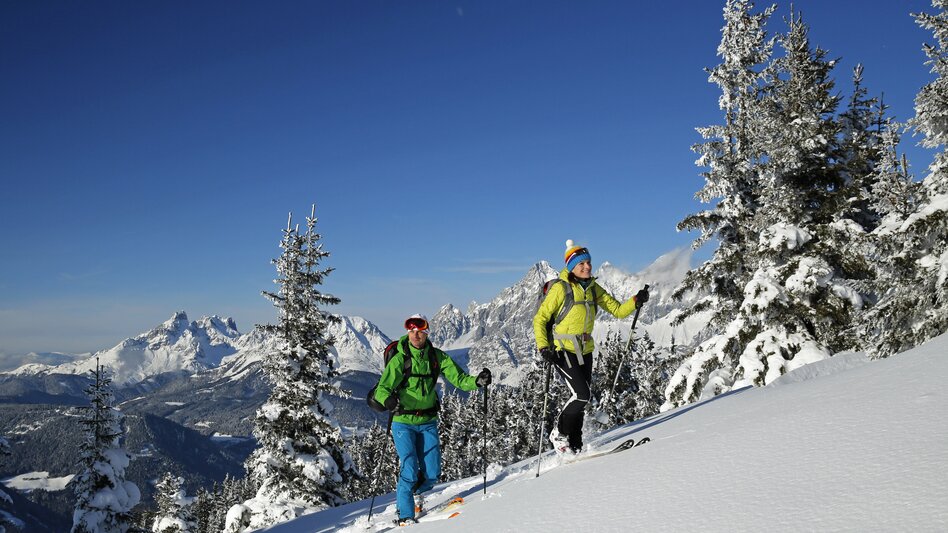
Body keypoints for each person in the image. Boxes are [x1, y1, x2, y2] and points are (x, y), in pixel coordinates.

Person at [372, 313, 492, 526]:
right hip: (403, 421)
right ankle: (405, 516)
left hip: (427, 420)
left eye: (420, 330)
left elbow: (460, 379)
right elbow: (382, 388)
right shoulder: (400, 359)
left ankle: (414, 495)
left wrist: (478, 382)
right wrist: (389, 401)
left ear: (426, 332)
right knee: (408, 466)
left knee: (432, 472)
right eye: (411, 330)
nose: (415, 334)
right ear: (408, 332)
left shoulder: (437, 357)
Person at [533, 240, 649, 455]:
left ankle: (574, 446)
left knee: (582, 401)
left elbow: (618, 311)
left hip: (585, 351)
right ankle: (558, 432)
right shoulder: (561, 288)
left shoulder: (594, 288)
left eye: (588, 262)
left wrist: (636, 300)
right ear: (571, 267)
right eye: (581, 264)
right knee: (581, 394)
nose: (587, 267)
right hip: (562, 349)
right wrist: (543, 347)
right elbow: (540, 319)